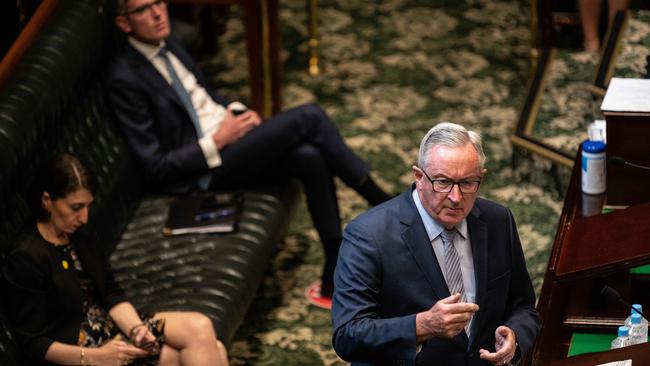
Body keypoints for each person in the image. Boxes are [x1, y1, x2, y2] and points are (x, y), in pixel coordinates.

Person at [106, 0, 391, 309]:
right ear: (124, 23)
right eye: (144, 9)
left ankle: (332, 273)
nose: (158, 13)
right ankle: (385, 206)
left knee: (308, 156)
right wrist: (219, 139)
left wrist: (238, 113)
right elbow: (156, 166)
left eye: (159, 2)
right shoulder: (124, 77)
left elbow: (204, 98)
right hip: (202, 171)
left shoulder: (169, 42)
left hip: (228, 139)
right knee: (309, 117)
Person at [331, 122, 540, 365]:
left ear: (481, 178)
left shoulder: (498, 221)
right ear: (419, 177)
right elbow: (348, 336)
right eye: (443, 182)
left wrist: (514, 334)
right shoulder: (368, 236)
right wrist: (421, 325)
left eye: (467, 183)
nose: (455, 197)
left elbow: (523, 305)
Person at [1, 154, 229, 366]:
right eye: (76, 207)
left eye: (88, 206)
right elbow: (33, 343)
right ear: (47, 200)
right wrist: (96, 357)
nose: (84, 217)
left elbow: (110, 292)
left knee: (201, 328)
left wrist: (137, 330)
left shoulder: (80, 232)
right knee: (213, 350)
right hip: (80, 351)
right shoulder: (26, 256)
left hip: (110, 329)